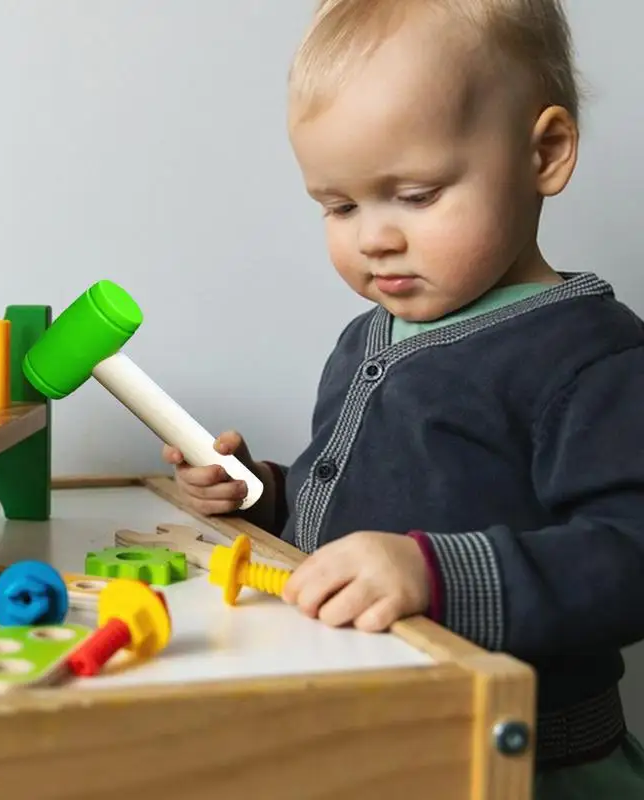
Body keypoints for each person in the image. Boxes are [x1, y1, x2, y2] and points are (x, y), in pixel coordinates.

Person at [163, 0, 644, 794]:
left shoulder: (593, 357)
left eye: (416, 195)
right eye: (340, 205)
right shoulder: (368, 337)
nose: (373, 238)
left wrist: (433, 575)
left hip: (523, 766)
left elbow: (628, 556)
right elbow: (371, 512)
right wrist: (262, 497)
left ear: (547, 153)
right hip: (374, 746)